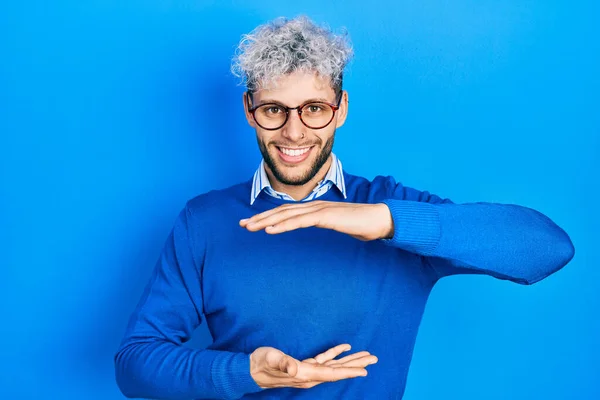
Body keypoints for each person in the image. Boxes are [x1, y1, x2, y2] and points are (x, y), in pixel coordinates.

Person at [114, 15, 575, 400]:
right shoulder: (205, 221)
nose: (294, 132)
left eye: (313, 108)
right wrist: (243, 372)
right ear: (249, 109)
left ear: (341, 109)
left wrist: (384, 220)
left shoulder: (395, 211)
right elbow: (135, 364)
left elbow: (546, 249)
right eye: (274, 110)